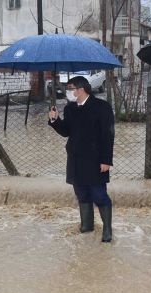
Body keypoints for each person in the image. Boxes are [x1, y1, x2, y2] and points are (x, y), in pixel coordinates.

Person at [48, 76, 115, 243]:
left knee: (99, 195)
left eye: (71, 88)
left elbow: (108, 135)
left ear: (81, 89)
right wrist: (55, 120)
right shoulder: (70, 108)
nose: (68, 92)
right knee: (82, 194)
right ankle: (87, 225)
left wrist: (106, 160)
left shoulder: (102, 107)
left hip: (95, 159)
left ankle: (107, 229)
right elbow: (66, 131)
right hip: (75, 159)